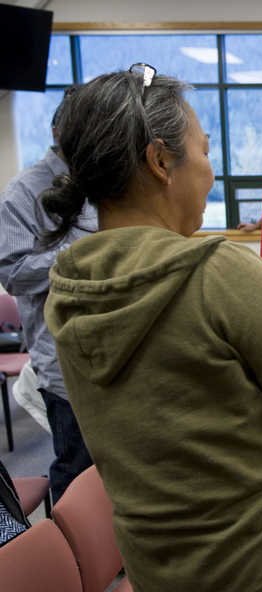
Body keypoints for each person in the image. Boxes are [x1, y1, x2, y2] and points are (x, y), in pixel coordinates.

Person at [40, 66, 262, 592]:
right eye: (205, 151)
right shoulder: (218, 271)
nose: (212, 172)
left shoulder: (71, 286)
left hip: (163, 572)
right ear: (161, 160)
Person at [0, 87, 97, 502]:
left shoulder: (101, 179)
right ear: (60, 131)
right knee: (78, 472)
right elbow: (13, 271)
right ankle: (76, 564)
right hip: (65, 362)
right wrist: (81, 255)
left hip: (115, 354)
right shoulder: (25, 191)